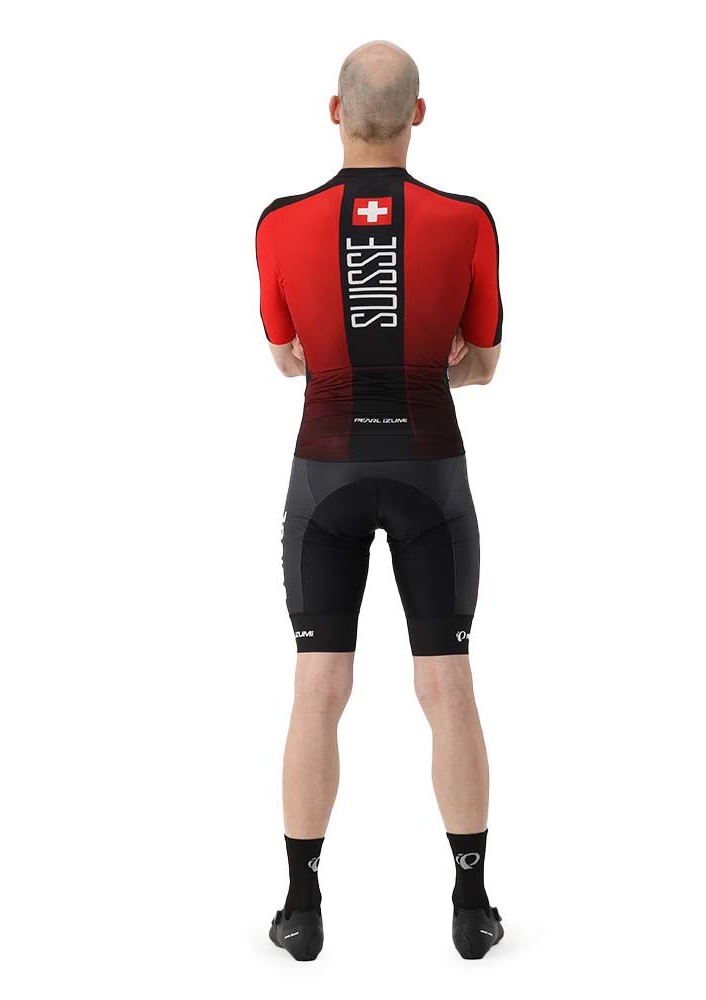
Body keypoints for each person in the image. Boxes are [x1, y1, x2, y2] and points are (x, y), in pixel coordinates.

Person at [256, 40, 503, 961]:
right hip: (428, 474)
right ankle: (472, 906)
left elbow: (286, 357)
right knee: (446, 684)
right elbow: (483, 363)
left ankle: (300, 906)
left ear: (334, 111)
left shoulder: (280, 224)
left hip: (325, 476)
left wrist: (327, 353)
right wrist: (442, 361)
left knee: (318, 687)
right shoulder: (466, 222)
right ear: (419, 115)